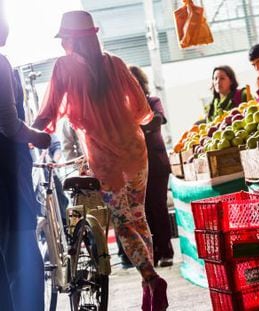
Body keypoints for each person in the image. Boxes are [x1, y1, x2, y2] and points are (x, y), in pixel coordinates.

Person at [32, 10, 168, 311]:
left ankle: (152, 279)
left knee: (122, 224)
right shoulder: (115, 63)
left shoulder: (65, 68)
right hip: (135, 150)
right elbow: (142, 110)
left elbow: (48, 112)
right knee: (137, 218)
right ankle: (149, 286)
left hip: (105, 160)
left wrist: (28, 134)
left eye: (64, 38)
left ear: (70, 39)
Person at [0, 6, 51, 311]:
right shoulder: (1, 64)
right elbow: (8, 124)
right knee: (23, 256)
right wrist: (39, 137)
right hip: (6, 172)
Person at [61, 118, 134, 268]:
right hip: (85, 172)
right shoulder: (68, 118)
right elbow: (67, 147)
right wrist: (78, 165)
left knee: (118, 211)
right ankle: (97, 259)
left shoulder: (98, 104)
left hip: (110, 167)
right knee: (91, 215)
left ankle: (125, 255)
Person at [129, 65, 174, 267]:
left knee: (159, 206)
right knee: (143, 210)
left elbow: (158, 119)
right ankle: (153, 252)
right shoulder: (124, 109)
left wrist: (136, 127)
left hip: (156, 163)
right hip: (135, 166)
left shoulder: (152, 101)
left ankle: (166, 251)